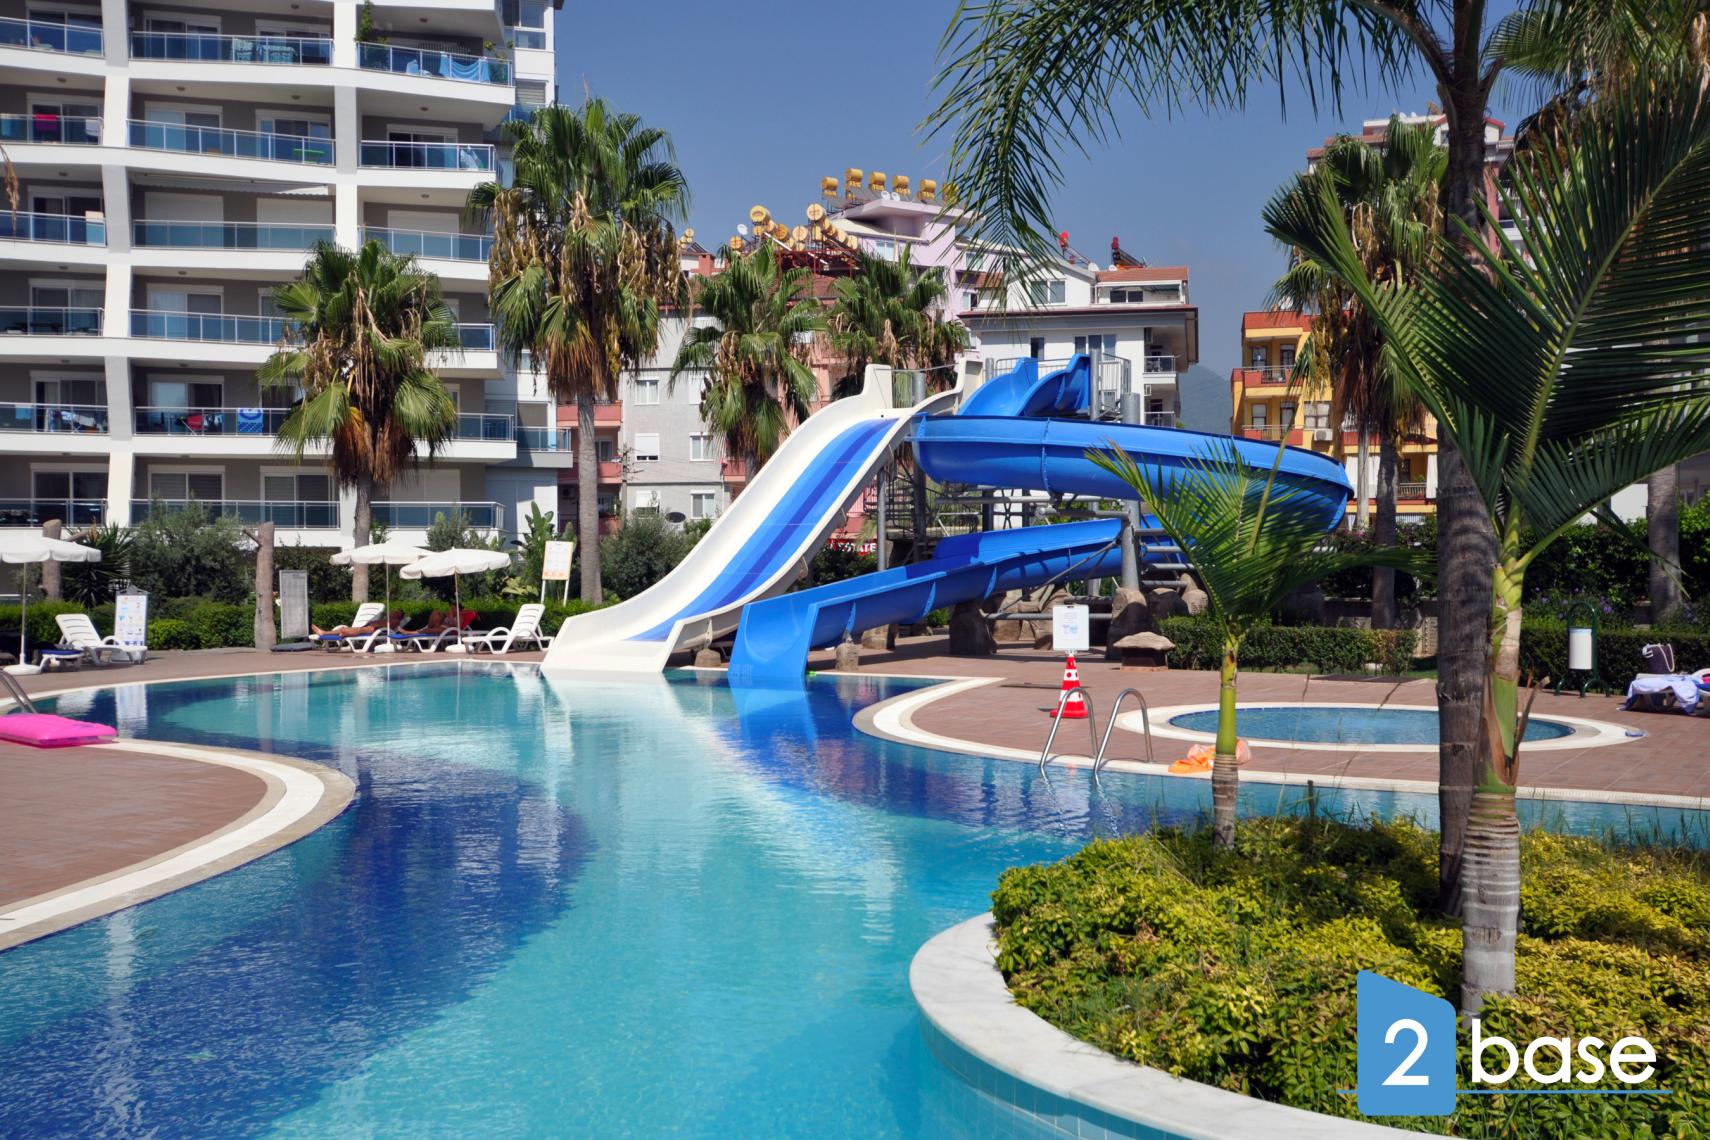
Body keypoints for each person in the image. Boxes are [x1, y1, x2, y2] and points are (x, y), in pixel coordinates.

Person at [313, 610, 402, 637]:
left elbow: (386, 626)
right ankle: (324, 632)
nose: (392, 612)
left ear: (399, 615)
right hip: (371, 628)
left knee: (358, 629)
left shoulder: (396, 621)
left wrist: (374, 624)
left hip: (375, 630)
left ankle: (325, 632)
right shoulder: (389, 619)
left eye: (395, 612)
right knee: (345, 629)